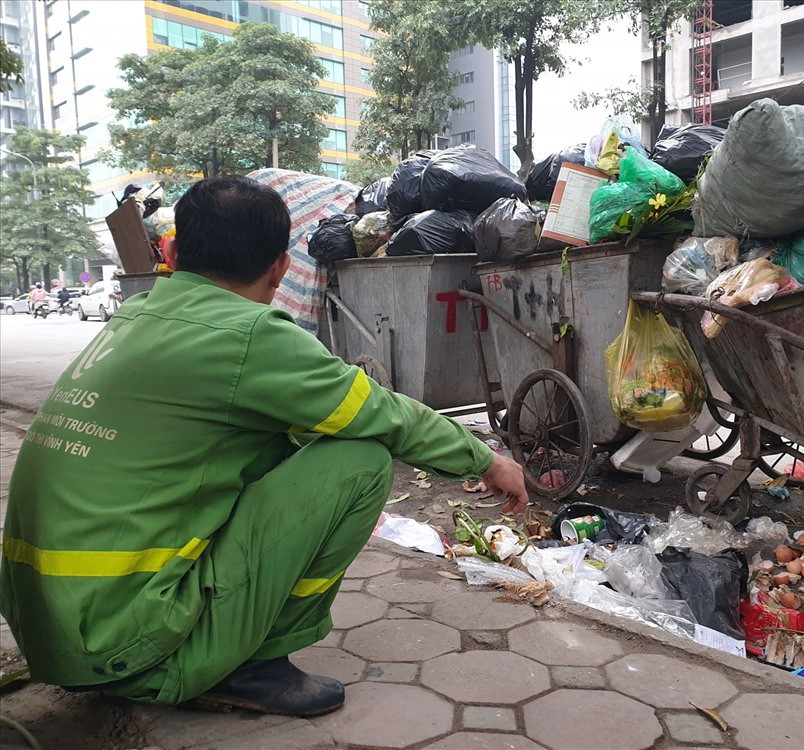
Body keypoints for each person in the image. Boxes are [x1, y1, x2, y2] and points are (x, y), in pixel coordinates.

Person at [0, 176, 529, 717]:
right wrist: (486, 459)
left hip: (54, 633)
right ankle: (252, 662)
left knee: (279, 440)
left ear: (173, 253)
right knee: (361, 460)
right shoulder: (246, 333)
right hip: (122, 645)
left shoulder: (136, 317)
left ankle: (201, 641)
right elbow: (384, 415)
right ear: (279, 268)